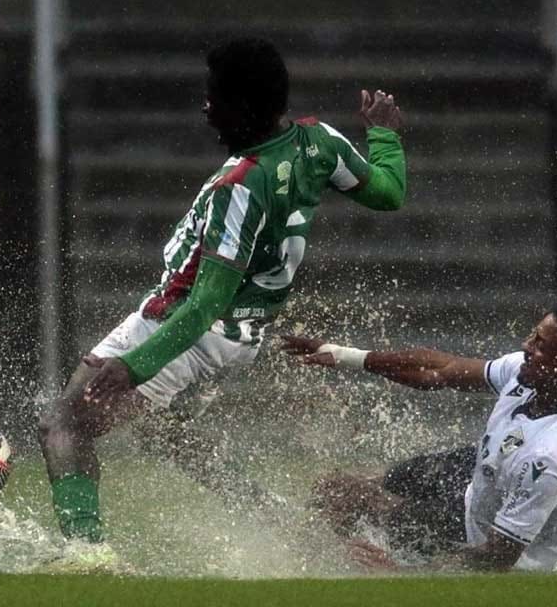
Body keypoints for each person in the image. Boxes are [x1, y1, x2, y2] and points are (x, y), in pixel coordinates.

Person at [37, 38, 407, 561]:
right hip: (244, 332)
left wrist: (135, 365)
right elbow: (389, 193)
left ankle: (85, 558)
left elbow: (205, 302)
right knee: (172, 438)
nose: (206, 108)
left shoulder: (241, 184)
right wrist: (385, 137)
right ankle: (301, 536)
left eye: (215, 98)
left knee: (65, 424)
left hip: (188, 325)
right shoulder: (319, 142)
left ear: (246, 109)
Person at [280, 306, 557, 572]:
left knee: (363, 516)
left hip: (483, 533)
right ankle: (301, 541)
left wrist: (401, 575)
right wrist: (343, 355)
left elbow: (496, 559)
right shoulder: (533, 374)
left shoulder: (553, 457)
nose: (525, 347)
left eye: (540, 346)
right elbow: (439, 370)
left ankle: (305, 564)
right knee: (338, 488)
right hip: (486, 470)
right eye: (534, 336)